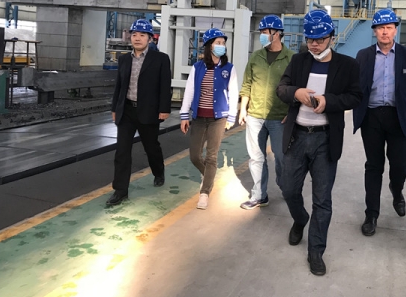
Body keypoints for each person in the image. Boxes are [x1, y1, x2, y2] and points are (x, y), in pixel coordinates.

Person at [276, 10, 362, 276]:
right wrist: (296, 93)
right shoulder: (298, 61)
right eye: (310, 39)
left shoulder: (347, 65)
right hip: (297, 136)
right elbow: (281, 89)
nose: (314, 44)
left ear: (332, 38)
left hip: (325, 138)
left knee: (322, 199)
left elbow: (356, 96)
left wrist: (329, 101)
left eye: (320, 39)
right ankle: (300, 218)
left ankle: (316, 251)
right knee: (288, 188)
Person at [353, 8, 406, 236]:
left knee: (400, 164)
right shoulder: (363, 55)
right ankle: (371, 214)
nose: (385, 32)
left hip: (398, 117)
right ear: (374, 31)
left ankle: (396, 189)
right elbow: (357, 85)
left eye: (389, 27)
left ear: (395, 30)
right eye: (381, 28)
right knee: (374, 166)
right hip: (371, 117)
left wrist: (402, 104)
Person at [108, 19, 172, 206]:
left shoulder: (160, 59)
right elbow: (119, 86)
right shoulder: (124, 59)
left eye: (142, 35)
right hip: (127, 110)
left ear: (150, 39)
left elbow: (164, 85)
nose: (137, 38)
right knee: (122, 152)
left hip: (148, 111)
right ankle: (120, 191)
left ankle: (158, 172)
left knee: (151, 147)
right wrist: (115, 108)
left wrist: (164, 109)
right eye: (134, 34)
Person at [239, 15, 295, 209]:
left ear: (276, 33)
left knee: (281, 157)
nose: (262, 35)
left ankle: (285, 186)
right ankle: (259, 195)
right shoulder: (256, 57)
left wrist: (292, 112)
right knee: (256, 157)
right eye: (261, 32)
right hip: (255, 115)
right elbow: (247, 84)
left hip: (280, 117)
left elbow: (296, 88)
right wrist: (243, 109)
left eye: (265, 32)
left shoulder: (291, 58)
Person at [179, 28, 238, 210]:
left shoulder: (229, 68)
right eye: (218, 42)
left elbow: (233, 92)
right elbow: (189, 91)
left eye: (223, 43)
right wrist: (184, 114)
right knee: (195, 156)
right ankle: (209, 176)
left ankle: (204, 193)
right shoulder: (197, 67)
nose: (222, 46)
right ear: (209, 46)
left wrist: (232, 116)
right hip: (199, 117)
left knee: (211, 156)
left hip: (218, 118)